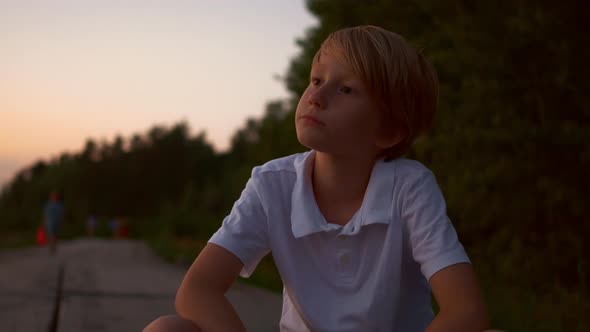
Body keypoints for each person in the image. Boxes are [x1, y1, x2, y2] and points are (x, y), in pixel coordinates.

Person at [144, 25, 490, 331]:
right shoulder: (272, 184)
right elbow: (198, 290)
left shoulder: (410, 186)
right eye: (317, 80)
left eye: (347, 89)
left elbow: (466, 310)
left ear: (387, 131)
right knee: (167, 329)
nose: (317, 97)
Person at [43, 190, 64, 255]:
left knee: (55, 235)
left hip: (57, 222)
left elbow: (61, 214)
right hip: (50, 222)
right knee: (51, 235)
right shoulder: (48, 205)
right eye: (52, 196)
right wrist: (44, 222)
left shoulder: (59, 205)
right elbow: (45, 214)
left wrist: (61, 221)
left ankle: (54, 247)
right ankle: (51, 248)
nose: (54, 197)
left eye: (55, 196)